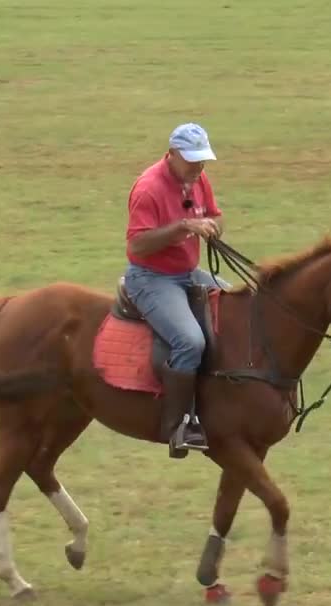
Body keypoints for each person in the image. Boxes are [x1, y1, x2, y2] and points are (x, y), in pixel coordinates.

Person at [123, 122, 231, 458]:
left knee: (238, 307)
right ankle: (180, 424)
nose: (199, 167)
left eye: (203, 161)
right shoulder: (149, 188)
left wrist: (213, 228)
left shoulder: (197, 179)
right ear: (171, 155)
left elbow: (216, 215)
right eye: (192, 160)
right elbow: (138, 245)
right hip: (152, 278)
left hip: (188, 273)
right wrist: (184, 227)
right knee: (190, 340)